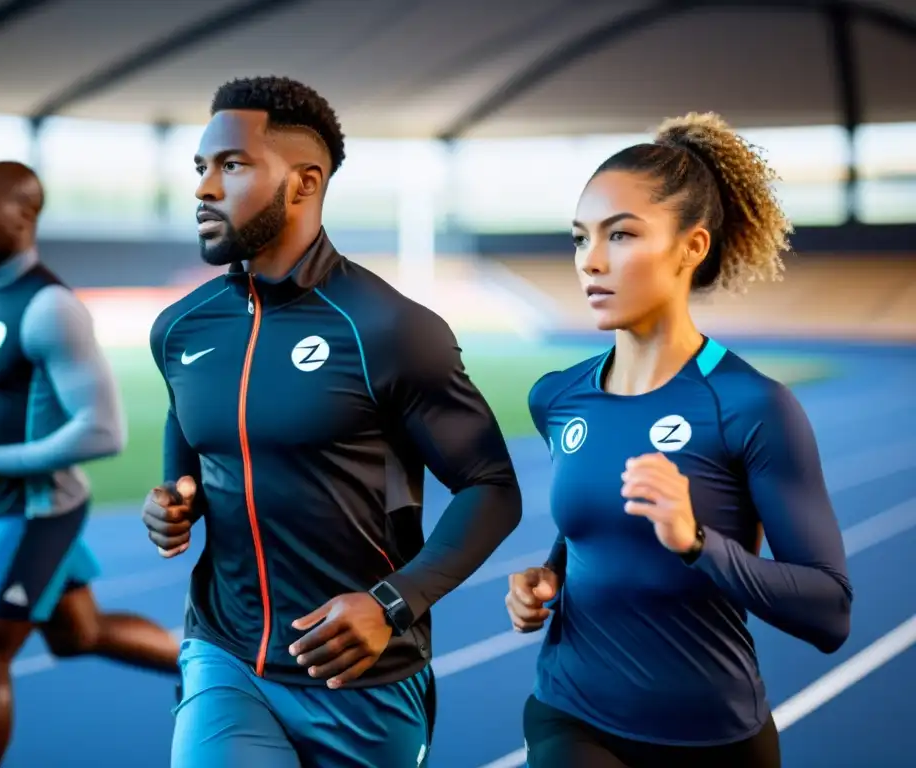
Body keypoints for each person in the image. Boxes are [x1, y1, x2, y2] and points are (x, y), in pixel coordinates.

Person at [142, 76, 522, 768]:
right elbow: (189, 436)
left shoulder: (391, 328)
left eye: (231, 165)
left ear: (304, 182)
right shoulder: (180, 329)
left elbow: (492, 487)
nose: (203, 188)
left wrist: (391, 602)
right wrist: (174, 497)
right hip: (227, 658)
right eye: (201, 167)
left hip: (364, 680)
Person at [504, 113, 853, 768]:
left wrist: (698, 543)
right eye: (581, 239)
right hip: (571, 712)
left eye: (623, 235)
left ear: (692, 248)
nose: (592, 262)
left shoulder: (752, 406)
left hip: (714, 738)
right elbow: (591, 525)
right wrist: (546, 578)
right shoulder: (558, 396)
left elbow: (830, 612)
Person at [0, 161, 181, 768]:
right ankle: (208, 669)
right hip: (9, 505)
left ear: (24, 214)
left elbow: (103, 430)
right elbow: (10, 406)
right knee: (77, 635)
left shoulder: (50, 308)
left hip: (37, 513)